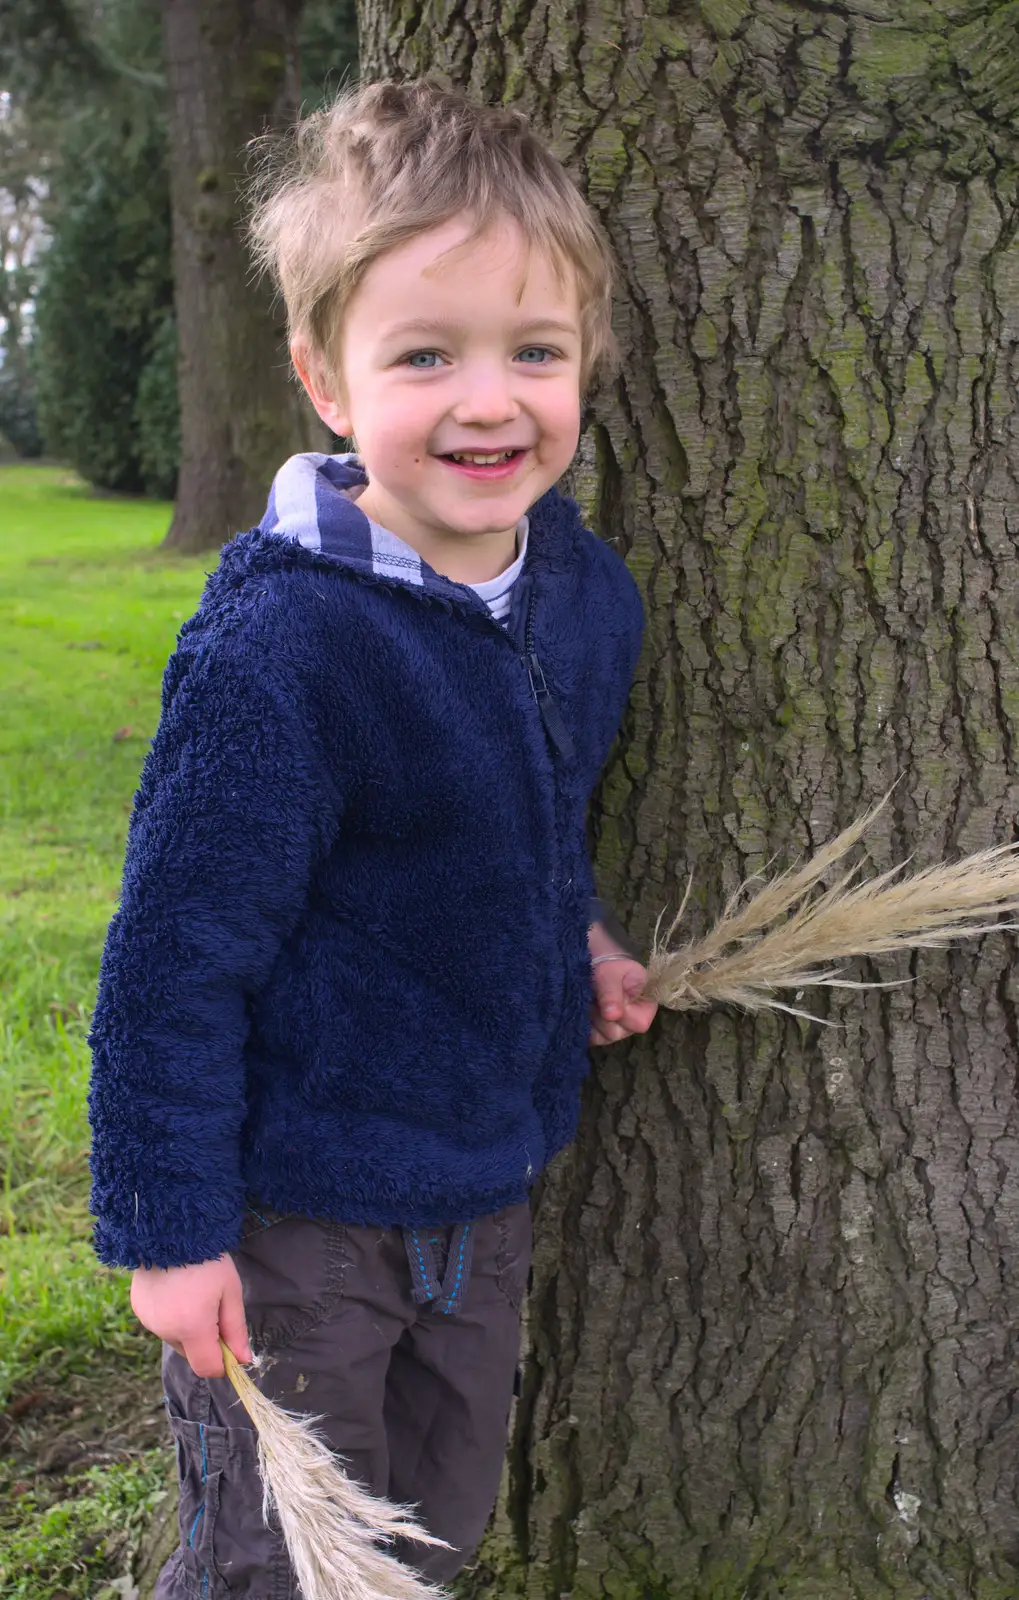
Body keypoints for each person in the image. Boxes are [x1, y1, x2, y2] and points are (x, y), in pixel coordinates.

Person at [87, 78, 657, 1597]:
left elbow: (529, 820)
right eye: (425, 356)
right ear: (324, 381)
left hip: (480, 1190)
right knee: (282, 1559)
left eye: (533, 352)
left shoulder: (581, 595)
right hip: (293, 1218)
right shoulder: (281, 651)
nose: (489, 400)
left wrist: (580, 941)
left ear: (585, 362)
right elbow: (171, 964)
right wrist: (168, 1232)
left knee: (433, 1534)